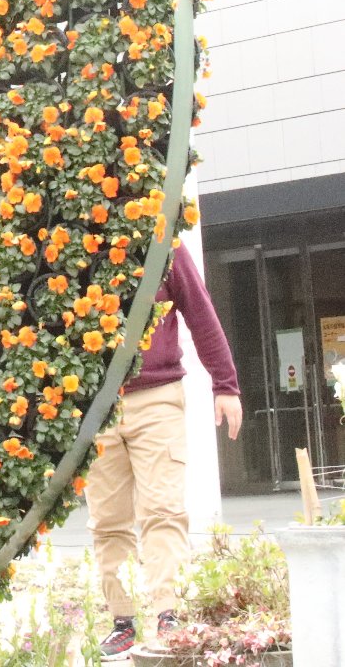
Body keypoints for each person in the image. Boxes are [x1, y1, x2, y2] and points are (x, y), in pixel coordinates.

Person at [91, 245, 242, 661]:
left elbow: (200, 312)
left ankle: (167, 615)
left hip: (156, 396)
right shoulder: (76, 242)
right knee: (107, 521)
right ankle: (122, 621)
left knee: (163, 510)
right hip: (94, 407)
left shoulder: (164, 243)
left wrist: (225, 385)